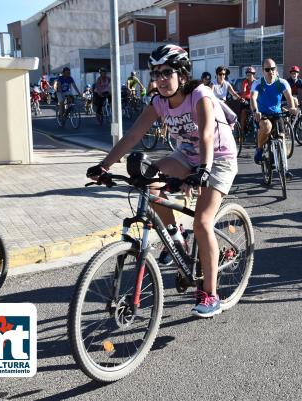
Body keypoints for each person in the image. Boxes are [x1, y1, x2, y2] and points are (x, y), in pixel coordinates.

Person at [86, 44, 238, 318]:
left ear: (181, 73)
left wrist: (202, 170)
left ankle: (210, 293)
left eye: (166, 73)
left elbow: (205, 135)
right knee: (147, 177)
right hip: (187, 155)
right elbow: (133, 135)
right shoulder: (158, 101)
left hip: (218, 158)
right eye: (155, 74)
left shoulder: (200, 95)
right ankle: (175, 235)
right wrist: (104, 165)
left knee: (203, 222)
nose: (160, 80)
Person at [250, 58, 298, 171]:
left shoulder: (282, 83)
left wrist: (292, 107)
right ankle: (260, 149)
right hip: (262, 114)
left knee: (282, 136)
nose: (270, 71)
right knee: (267, 127)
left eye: (273, 69)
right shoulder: (258, 83)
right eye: (267, 69)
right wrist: (255, 111)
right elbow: (253, 98)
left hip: (277, 114)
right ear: (263, 71)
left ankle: (284, 169)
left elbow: (289, 97)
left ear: (276, 69)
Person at [239, 66, 257, 134]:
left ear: (253, 75)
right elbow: (244, 90)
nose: (248, 76)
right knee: (243, 112)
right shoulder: (245, 82)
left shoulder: (256, 82)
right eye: (247, 75)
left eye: (250, 75)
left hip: (254, 100)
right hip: (246, 100)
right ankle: (242, 131)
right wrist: (243, 98)